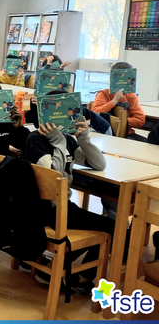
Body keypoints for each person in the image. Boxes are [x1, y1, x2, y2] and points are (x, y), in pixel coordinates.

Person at [23, 113, 116, 293]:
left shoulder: (67, 140)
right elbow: (54, 176)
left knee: (109, 225)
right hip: (44, 210)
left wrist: (85, 140)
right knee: (113, 228)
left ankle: (54, 266)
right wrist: (58, 142)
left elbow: (99, 164)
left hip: (60, 208)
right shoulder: (36, 139)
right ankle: (78, 276)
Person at [90, 62, 146, 140]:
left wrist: (120, 121)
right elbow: (95, 114)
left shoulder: (131, 96)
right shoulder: (104, 93)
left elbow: (140, 121)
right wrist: (114, 101)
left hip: (125, 133)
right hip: (105, 132)